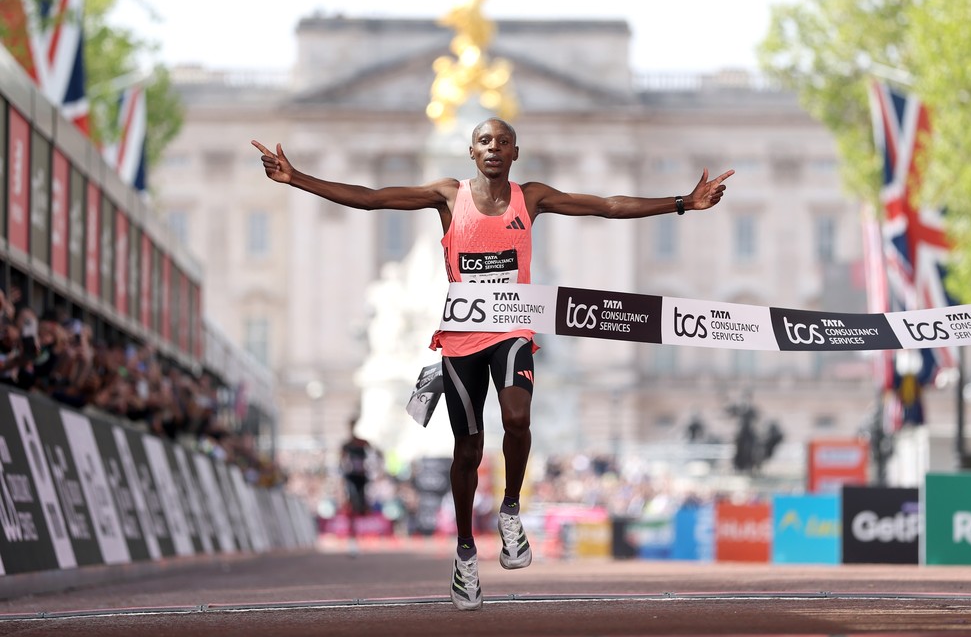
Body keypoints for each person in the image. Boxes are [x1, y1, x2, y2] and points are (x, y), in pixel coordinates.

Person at [252, 118, 733, 610]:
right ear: (472, 151)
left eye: (503, 142)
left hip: (512, 330)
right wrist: (297, 178)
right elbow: (372, 198)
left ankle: (510, 509)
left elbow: (606, 206)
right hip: (461, 339)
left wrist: (683, 202)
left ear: (515, 153)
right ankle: (465, 552)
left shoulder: (532, 197)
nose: (494, 148)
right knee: (468, 450)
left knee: (517, 417)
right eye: (485, 141)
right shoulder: (448, 196)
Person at [339, 416, 376, 556]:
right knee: (352, 506)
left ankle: (359, 537)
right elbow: (341, 461)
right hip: (351, 478)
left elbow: (375, 455)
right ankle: (353, 539)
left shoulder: (363, 443)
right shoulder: (346, 445)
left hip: (362, 478)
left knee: (362, 506)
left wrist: (372, 469)